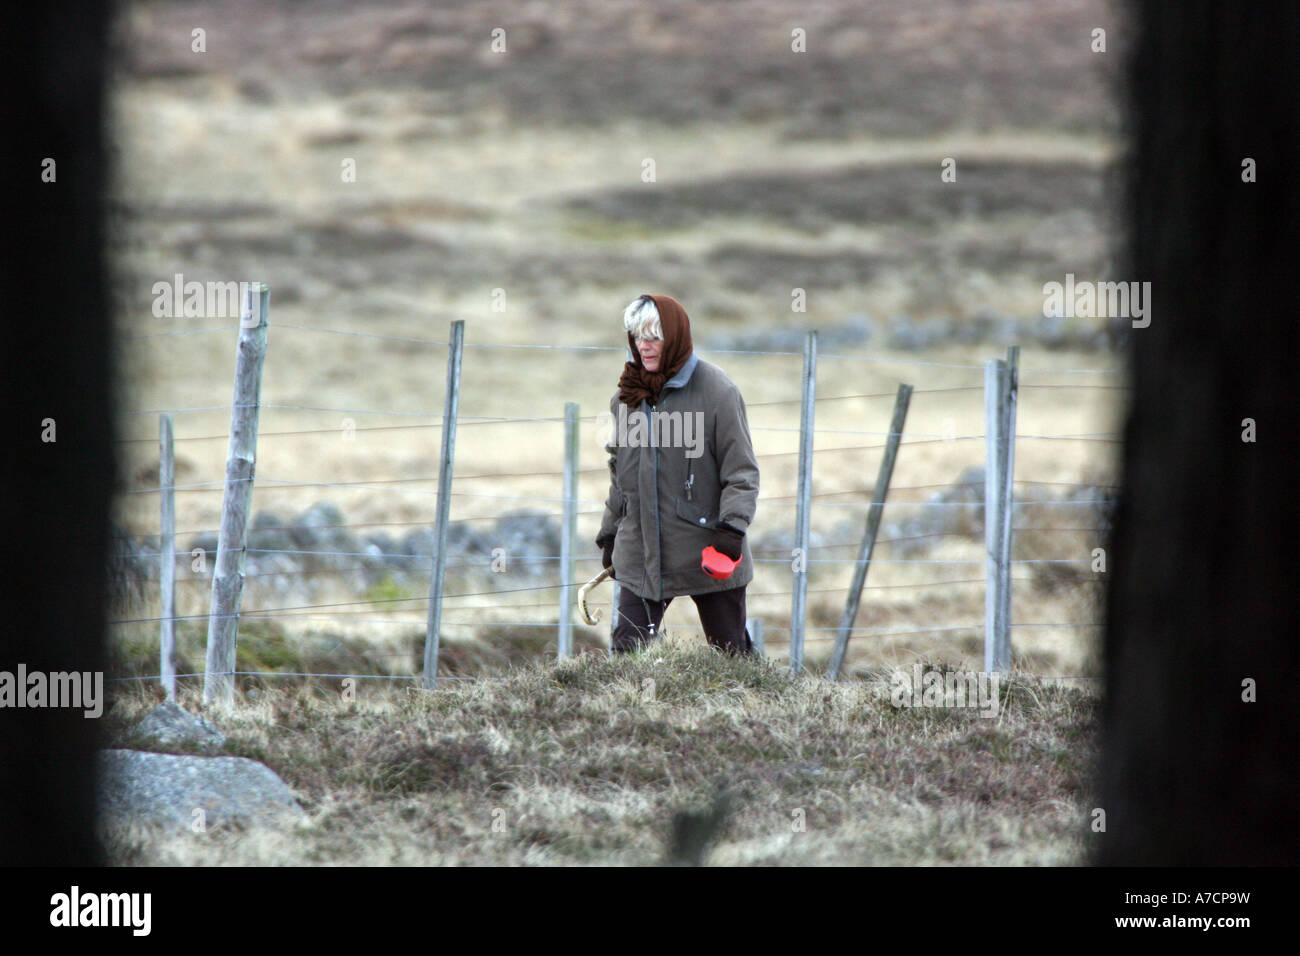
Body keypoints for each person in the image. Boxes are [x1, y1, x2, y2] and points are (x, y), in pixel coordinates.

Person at [594, 293, 760, 655]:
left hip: (711, 550)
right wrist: (610, 533)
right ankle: (633, 714)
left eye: (654, 336)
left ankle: (751, 711)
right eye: (638, 337)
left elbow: (742, 473)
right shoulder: (626, 399)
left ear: (676, 337)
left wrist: (731, 531)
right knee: (627, 658)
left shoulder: (719, 393)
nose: (644, 347)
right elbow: (621, 476)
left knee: (732, 658)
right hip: (642, 553)